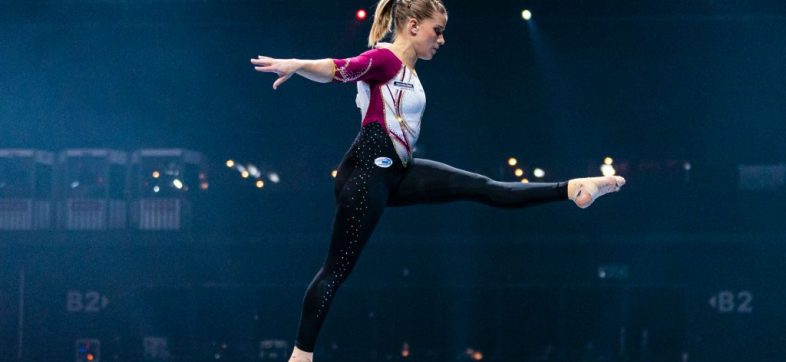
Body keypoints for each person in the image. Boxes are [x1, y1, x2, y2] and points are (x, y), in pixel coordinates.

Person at [251, 0, 625, 360]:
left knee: (484, 187)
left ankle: (573, 187)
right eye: (437, 31)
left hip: (396, 171)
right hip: (367, 172)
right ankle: (301, 355)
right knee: (337, 269)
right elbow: (339, 68)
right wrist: (299, 64)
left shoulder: (411, 74)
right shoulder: (386, 58)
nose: (441, 40)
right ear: (413, 26)